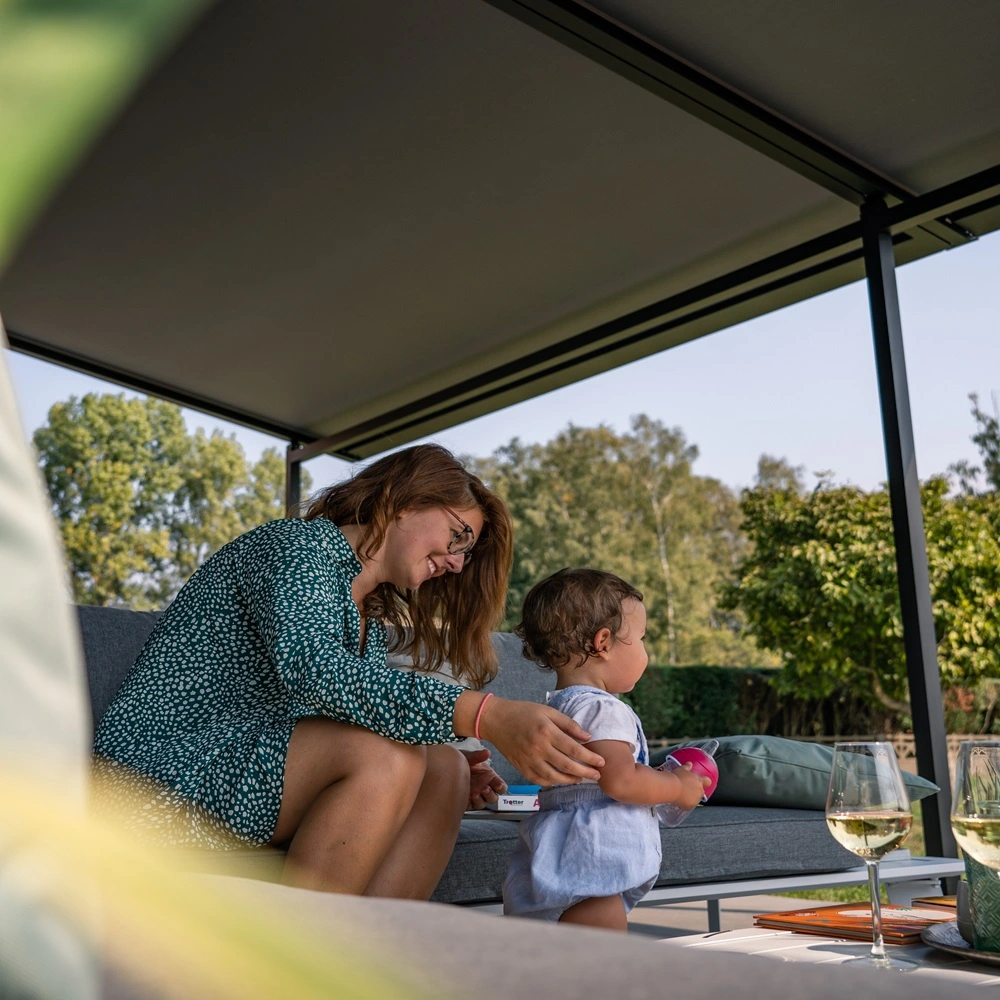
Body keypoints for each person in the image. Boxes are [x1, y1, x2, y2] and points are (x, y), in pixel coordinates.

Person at [93, 444, 605, 897]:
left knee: (445, 770)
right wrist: (485, 714)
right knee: (385, 755)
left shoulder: (366, 617)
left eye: (465, 554)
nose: (456, 563)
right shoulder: (296, 547)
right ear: (406, 500)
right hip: (155, 776)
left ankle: (365, 953)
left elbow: (343, 712)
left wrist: (441, 758)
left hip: (240, 769)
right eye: (458, 536)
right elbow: (316, 671)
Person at [502, 568, 710, 931]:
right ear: (603, 643)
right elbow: (621, 781)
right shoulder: (601, 708)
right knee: (605, 962)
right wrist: (677, 786)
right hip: (590, 870)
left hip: (559, 861)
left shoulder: (558, 707)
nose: (645, 651)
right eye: (641, 639)